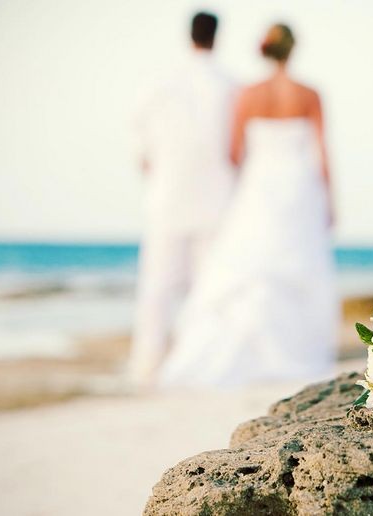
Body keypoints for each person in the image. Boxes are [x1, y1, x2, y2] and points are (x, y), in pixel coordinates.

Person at [158, 23, 338, 386]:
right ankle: (297, 351)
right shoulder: (309, 93)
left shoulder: (248, 93)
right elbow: (322, 152)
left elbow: (233, 151)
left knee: (248, 265)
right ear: (292, 50)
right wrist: (330, 199)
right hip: (299, 188)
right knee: (298, 263)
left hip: (259, 188)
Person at [128, 12, 236, 385]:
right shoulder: (230, 86)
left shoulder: (158, 83)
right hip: (216, 200)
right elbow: (239, 148)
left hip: (168, 198)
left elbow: (141, 151)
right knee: (208, 288)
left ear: (188, 36)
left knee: (157, 288)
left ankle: (147, 368)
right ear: (216, 37)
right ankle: (200, 363)